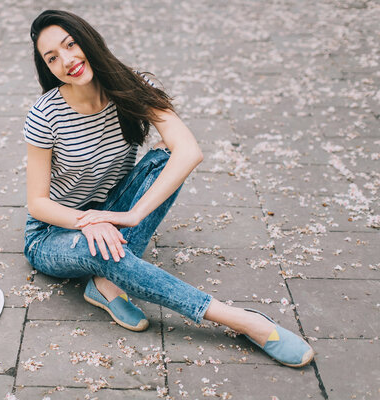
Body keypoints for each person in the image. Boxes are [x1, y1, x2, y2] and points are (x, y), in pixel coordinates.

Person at [22, 9, 314, 368]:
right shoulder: (45, 114)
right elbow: (36, 203)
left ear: (88, 39)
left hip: (112, 211)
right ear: (48, 68)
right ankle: (243, 321)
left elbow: (189, 150)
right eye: (52, 57)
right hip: (54, 234)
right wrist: (87, 222)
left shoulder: (130, 87)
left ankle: (106, 284)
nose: (67, 60)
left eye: (70, 44)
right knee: (100, 248)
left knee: (164, 162)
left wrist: (131, 215)